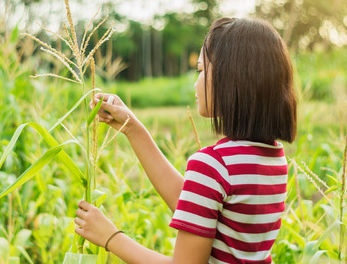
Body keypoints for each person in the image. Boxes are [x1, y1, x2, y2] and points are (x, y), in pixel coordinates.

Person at [74, 17, 297, 264]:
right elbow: (195, 204)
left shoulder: (214, 165)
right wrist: (132, 128)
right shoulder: (273, 159)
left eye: (201, 70)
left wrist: (111, 237)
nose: (195, 81)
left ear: (231, 79)